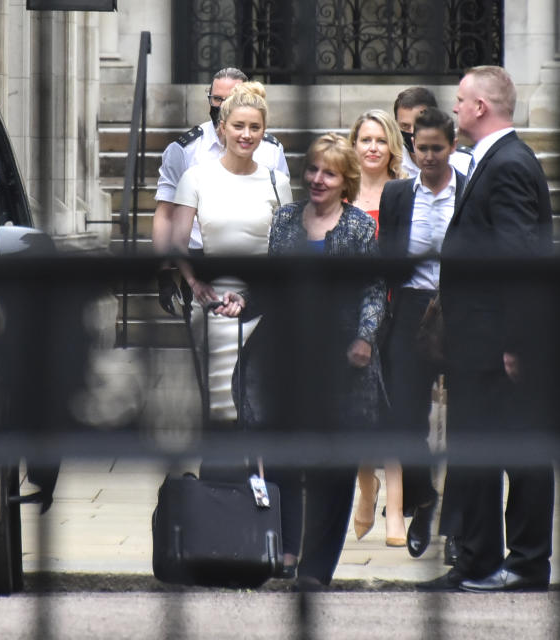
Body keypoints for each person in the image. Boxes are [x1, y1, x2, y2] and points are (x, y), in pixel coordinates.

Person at [217, 133, 386, 590]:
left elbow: (372, 289)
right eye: (312, 169)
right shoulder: (286, 220)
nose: (316, 178)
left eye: (328, 172)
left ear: (344, 181)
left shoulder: (357, 228)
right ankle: (287, 549)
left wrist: (365, 336)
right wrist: (241, 302)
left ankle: (316, 569)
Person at [418, 66, 555, 593]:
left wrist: (518, 343)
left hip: (498, 346)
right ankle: (476, 560)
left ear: (480, 107)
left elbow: (520, 259)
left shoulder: (510, 164)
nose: (454, 108)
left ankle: (522, 564)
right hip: (478, 344)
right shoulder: (493, 160)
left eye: (460, 100)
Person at [170, 82, 293, 422]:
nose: (246, 134)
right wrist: (195, 286)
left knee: (259, 403)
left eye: (255, 127)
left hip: (264, 305)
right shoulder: (196, 178)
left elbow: (287, 242)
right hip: (214, 305)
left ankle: (259, 474)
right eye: (239, 126)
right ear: (222, 128)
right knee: (220, 406)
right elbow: (178, 243)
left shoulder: (276, 182)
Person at [376, 107, 467, 559]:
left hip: (459, 309)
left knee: (466, 423)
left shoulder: (469, 191)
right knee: (401, 419)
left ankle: (457, 530)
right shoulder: (396, 194)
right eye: (421, 148)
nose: (428, 156)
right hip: (410, 308)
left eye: (437, 148)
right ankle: (425, 499)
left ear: (452, 147)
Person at [152, 67, 289, 314]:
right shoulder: (185, 150)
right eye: (217, 99)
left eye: (230, 97)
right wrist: (165, 273)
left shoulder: (271, 151)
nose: (222, 103)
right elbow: (165, 213)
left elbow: (286, 232)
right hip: (199, 261)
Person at [346, 109, 409, 547]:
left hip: (397, 313)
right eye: (364, 139)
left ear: (391, 148)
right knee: (359, 409)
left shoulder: (405, 192)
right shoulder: (340, 191)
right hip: (349, 317)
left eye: (379, 140)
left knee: (393, 411)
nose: (371, 147)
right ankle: (365, 487)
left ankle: (397, 510)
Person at [393, 86, 472, 179]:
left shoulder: (464, 163)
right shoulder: (390, 162)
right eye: (405, 126)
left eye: (419, 124)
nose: (412, 131)